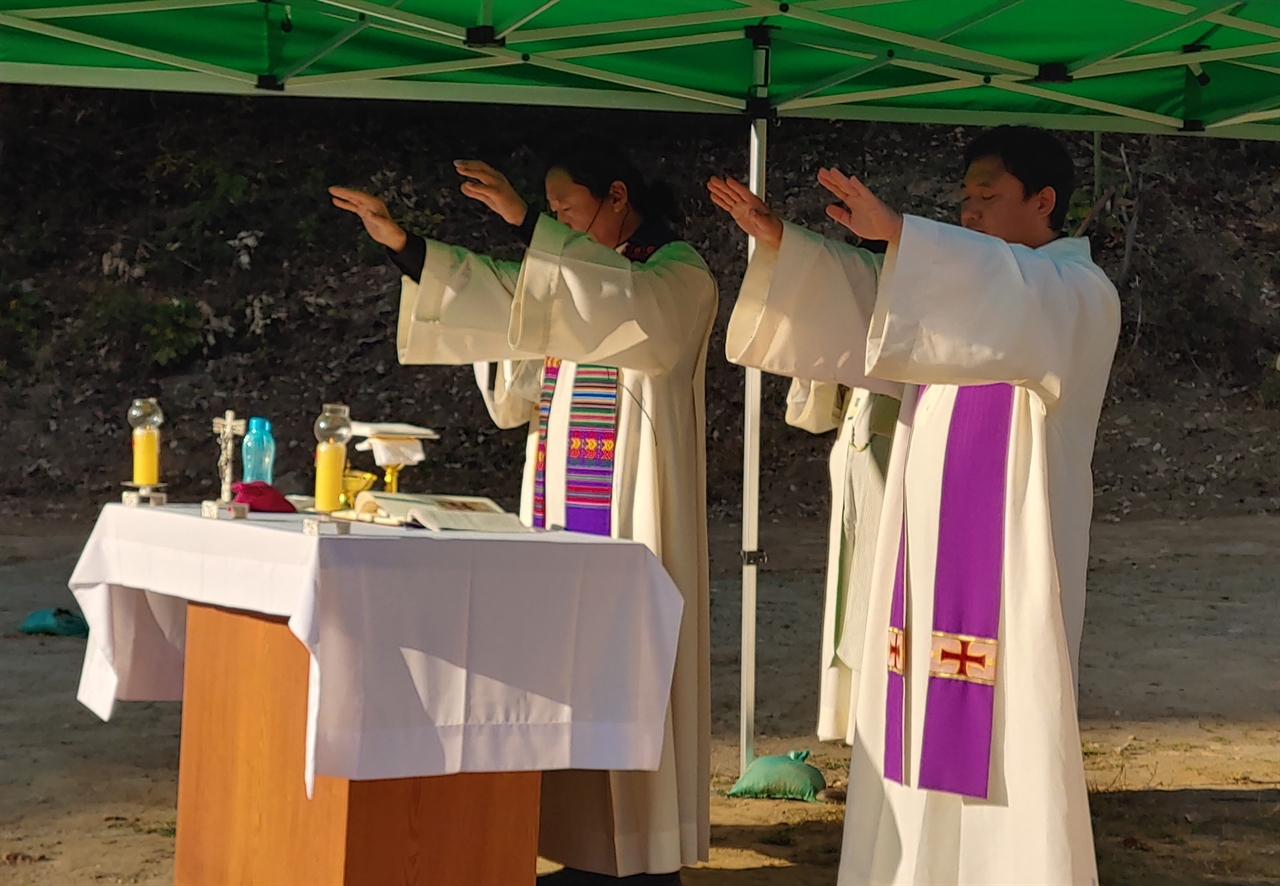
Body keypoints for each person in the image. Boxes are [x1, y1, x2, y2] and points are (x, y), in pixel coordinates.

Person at [709, 125, 1119, 884]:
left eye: (986, 197)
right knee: (915, 714)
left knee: (1006, 728)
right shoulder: (963, 290)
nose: (968, 213)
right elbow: (879, 294)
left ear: (1044, 200)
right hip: (925, 568)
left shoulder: (1077, 294)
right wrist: (784, 245)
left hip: (1006, 574)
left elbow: (994, 298)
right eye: (962, 199)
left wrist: (904, 234)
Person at [331, 146, 715, 885]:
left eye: (565, 208)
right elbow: (497, 303)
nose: (558, 222)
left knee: (626, 664)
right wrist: (404, 245)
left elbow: (624, 308)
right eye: (551, 212)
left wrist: (520, 219)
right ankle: (580, 847)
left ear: (616, 194)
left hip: (634, 510)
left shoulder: (676, 271)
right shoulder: (565, 279)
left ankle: (640, 854)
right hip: (559, 498)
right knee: (560, 662)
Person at [785, 377, 898, 745]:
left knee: (877, 592)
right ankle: (854, 726)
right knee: (851, 592)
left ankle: (875, 727)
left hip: (892, 445)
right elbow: (811, 414)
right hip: (855, 442)